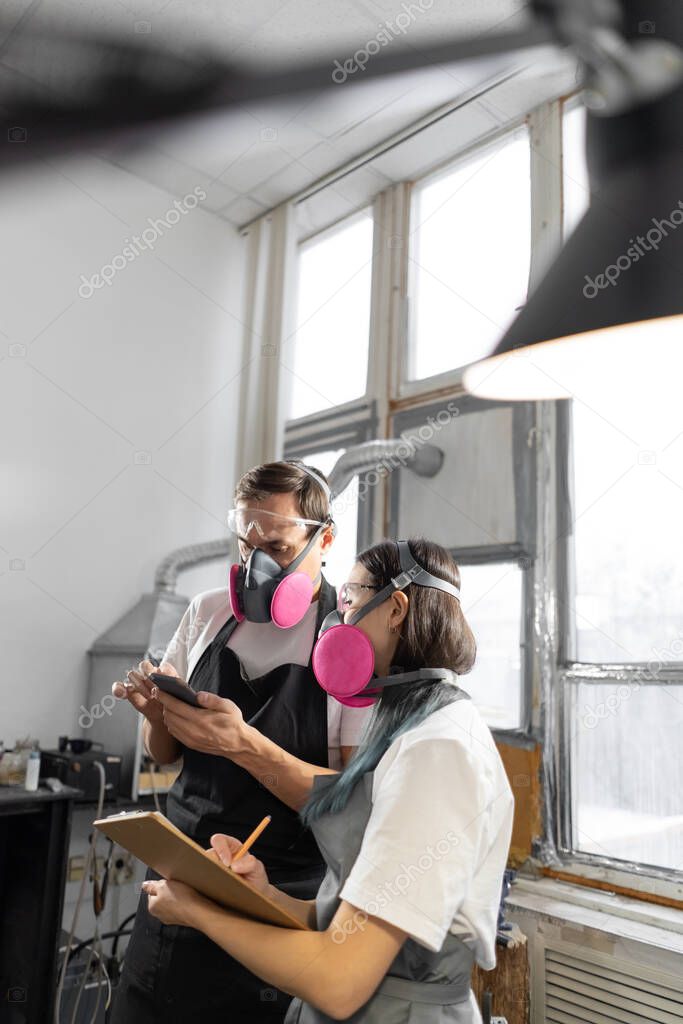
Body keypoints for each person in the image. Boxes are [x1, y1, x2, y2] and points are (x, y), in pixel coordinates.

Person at [142, 537, 515, 1023]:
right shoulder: (407, 722)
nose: (338, 620)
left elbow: (340, 981)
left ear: (396, 608)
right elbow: (353, 923)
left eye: (351, 600)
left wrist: (197, 912)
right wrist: (264, 896)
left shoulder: (438, 749)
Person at [110, 460, 375, 1022]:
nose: (256, 566)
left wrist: (241, 743)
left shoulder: (347, 643)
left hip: (273, 897)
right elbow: (165, 757)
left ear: (323, 538)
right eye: (245, 547)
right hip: (176, 878)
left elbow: (346, 803)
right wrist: (159, 717)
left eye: (277, 548)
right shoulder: (207, 611)